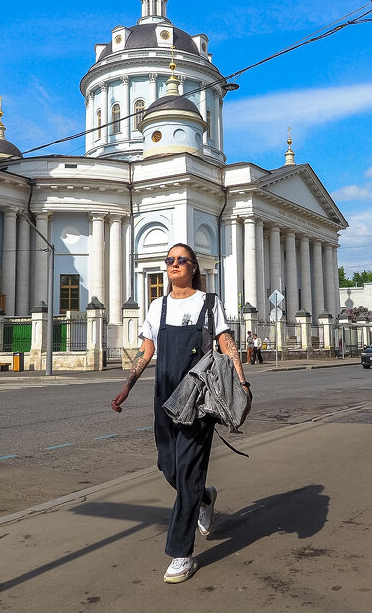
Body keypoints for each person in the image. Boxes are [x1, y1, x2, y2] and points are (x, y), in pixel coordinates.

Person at [111, 243, 252, 584]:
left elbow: (226, 345)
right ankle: (205, 498)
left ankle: (181, 553)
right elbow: (147, 350)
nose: (173, 264)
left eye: (181, 260)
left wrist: (243, 385)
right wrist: (128, 384)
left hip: (198, 401)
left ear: (193, 268)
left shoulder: (208, 303)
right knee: (169, 466)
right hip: (165, 399)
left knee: (187, 473)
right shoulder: (157, 306)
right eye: (169, 260)